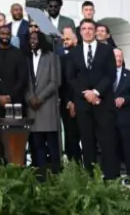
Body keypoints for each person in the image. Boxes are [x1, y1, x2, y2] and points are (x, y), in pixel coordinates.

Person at [66, 18, 118, 179]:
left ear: (95, 31)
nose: (87, 31)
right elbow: (71, 77)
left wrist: (95, 92)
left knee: (107, 141)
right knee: (87, 142)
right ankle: (90, 178)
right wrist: (86, 93)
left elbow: (110, 75)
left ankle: (110, 178)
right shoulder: (74, 52)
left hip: (102, 102)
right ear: (80, 32)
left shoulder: (106, 50)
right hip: (83, 105)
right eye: (84, 29)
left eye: (90, 28)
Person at [0, 25, 28, 164]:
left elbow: (22, 78)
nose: (5, 35)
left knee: (15, 134)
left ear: (11, 36)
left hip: (15, 101)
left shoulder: (19, 54)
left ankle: (16, 165)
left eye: (7, 33)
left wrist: (9, 96)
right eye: (2, 33)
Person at [25, 30, 61, 174]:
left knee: (52, 145)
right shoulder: (26, 58)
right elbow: (24, 81)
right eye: (30, 39)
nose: (32, 41)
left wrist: (40, 98)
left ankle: (55, 174)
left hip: (47, 106)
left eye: (35, 38)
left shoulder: (51, 57)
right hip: (32, 107)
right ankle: (40, 175)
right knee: (36, 144)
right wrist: (29, 98)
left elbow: (55, 81)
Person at [112, 48, 130, 179]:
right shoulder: (104, 75)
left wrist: (124, 99)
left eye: (120, 56)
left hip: (125, 119)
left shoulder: (129, 75)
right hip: (110, 120)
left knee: (128, 150)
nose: (118, 59)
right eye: (115, 56)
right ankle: (115, 178)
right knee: (112, 150)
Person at [55, 26, 81, 164]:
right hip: (66, 102)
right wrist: (69, 101)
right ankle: (73, 166)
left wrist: (75, 100)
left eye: (68, 39)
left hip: (82, 101)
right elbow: (62, 82)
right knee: (70, 136)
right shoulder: (61, 57)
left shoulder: (81, 55)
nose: (65, 41)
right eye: (63, 39)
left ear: (75, 40)